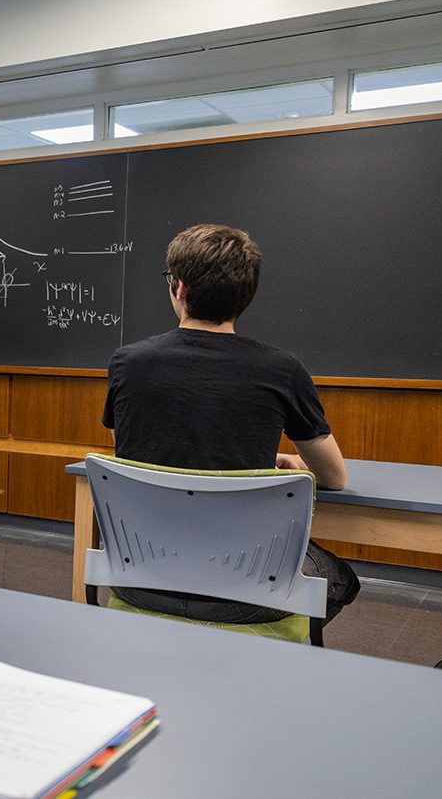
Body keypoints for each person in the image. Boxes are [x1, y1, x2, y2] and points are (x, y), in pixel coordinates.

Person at [101, 223, 359, 625]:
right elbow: (334, 477)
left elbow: (130, 445)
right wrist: (274, 463)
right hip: (247, 592)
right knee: (340, 579)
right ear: (245, 296)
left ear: (180, 289)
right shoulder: (282, 370)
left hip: (140, 578)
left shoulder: (127, 362)